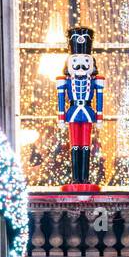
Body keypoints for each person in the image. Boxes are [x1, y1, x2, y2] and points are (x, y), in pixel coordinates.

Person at [56, 26, 105, 193]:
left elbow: (99, 99)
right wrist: (61, 117)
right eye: (76, 62)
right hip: (73, 112)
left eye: (85, 62)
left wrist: (99, 117)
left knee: (86, 145)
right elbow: (61, 100)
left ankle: (84, 177)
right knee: (74, 145)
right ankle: (76, 178)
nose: (81, 66)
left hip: (87, 113)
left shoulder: (96, 80)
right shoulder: (64, 81)